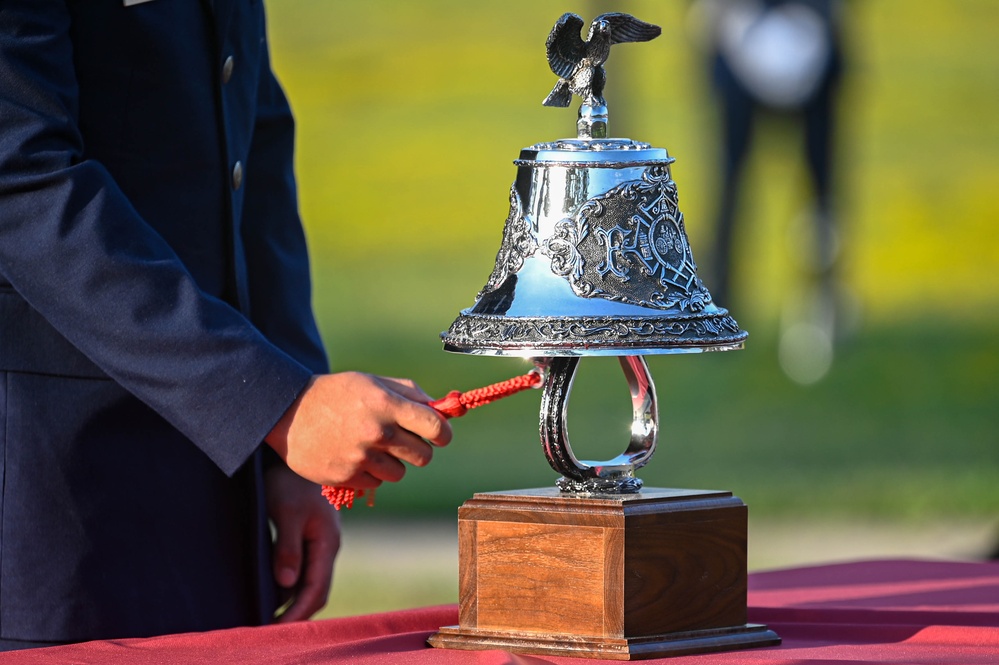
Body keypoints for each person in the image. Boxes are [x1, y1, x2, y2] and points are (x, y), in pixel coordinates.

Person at [0, 0, 451, 651]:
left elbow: (246, 121)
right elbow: (20, 177)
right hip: (52, 496)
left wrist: (285, 418)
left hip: (214, 474)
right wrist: (277, 403)